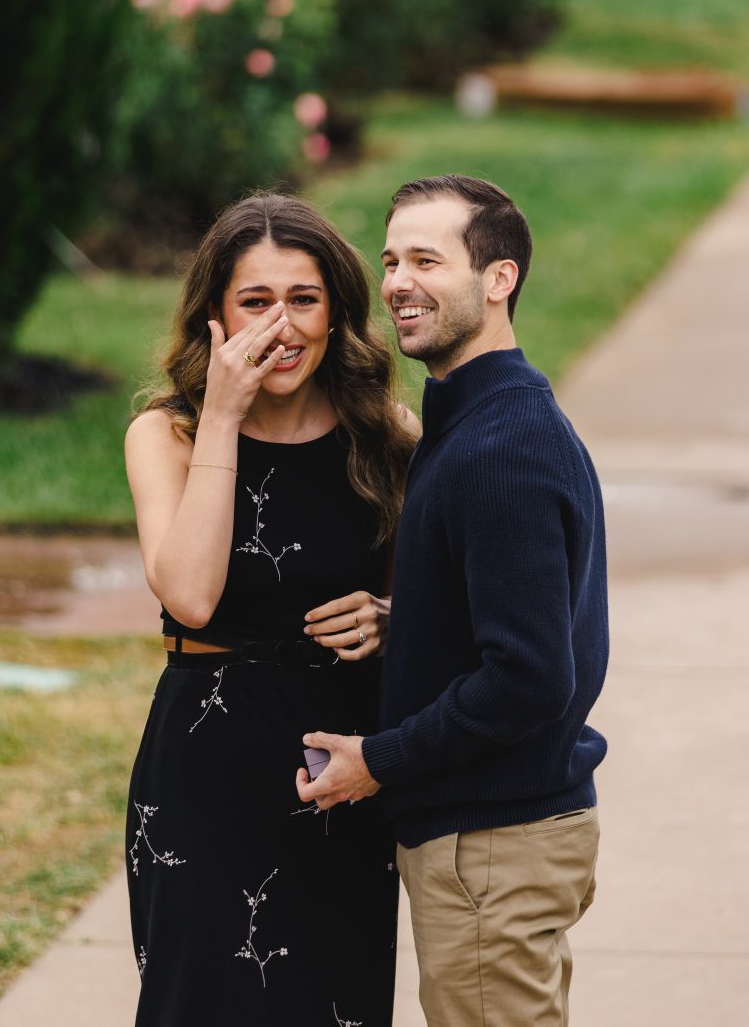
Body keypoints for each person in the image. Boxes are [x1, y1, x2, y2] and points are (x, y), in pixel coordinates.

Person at [296, 175, 609, 1027]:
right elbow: (528, 617)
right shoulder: (477, 421)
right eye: (392, 259)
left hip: (490, 848)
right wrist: (413, 620)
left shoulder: (502, 447)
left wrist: (380, 758)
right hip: (499, 840)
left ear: (497, 279)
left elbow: (532, 677)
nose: (397, 281)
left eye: (427, 259)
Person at [124, 192, 418, 1027]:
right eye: (256, 301)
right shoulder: (168, 434)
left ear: (336, 313)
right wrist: (222, 415)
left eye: (304, 299)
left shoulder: (387, 439)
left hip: (340, 767)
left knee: (334, 1002)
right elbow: (189, 594)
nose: (281, 326)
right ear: (214, 314)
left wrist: (392, 616)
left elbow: (436, 604)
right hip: (206, 769)